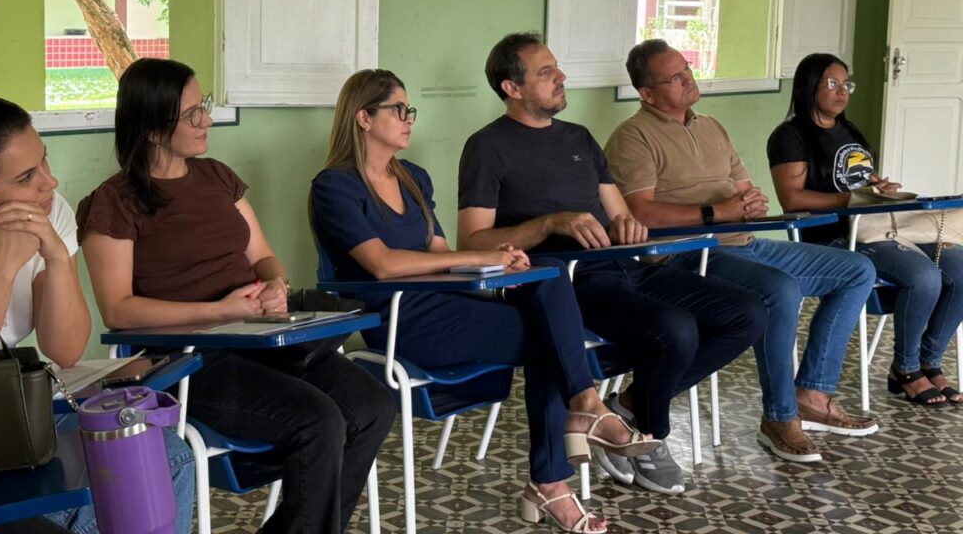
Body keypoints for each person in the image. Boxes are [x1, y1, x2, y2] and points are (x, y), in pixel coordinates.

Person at [311, 68, 656, 533]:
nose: (409, 119)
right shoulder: (335, 186)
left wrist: (502, 261)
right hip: (401, 321)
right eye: (399, 109)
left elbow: (440, 255)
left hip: (451, 303)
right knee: (552, 336)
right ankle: (564, 454)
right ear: (364, 118)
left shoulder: (413, 178)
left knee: (548, 274)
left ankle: (577, 426)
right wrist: (480, 255)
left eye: (410, 110)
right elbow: (383, 265)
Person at [77, 58, 395, 534]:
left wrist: (276, 285)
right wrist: (220, 310)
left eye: (204, 106)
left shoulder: (218, 178)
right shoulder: (115, 202)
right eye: (192, 114)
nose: (207, 120)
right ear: (153, 128)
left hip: (264, 339)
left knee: (372, 406)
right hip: (191, 360)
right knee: (319, 422)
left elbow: (264, 256)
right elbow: (118, 309)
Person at [456, 33, 765, 495]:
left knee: (748, 313)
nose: (562, 76)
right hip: (564, 282)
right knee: (676, 329)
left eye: (557, 66)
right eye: (546, 72)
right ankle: (652, 437)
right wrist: (550, 224)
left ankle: (630, 410)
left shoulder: (579, 138)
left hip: (624, 266)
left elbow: (621, 215)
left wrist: (627, 226)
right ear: (512, 88)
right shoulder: (487, 146)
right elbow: (471, 241)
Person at [606, 39, 879, 464]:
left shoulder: (711, 126)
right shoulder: (633, 136)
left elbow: (746, 190)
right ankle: (779, 417)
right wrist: (717, 212)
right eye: (675, 77)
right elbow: (640, 212)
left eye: (687, 69)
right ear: (647, 93)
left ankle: (812, 394)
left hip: (745, 242)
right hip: (688, 254)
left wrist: (751, 203)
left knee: (858, 269)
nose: (688, 79)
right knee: (780, 289)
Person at [0, 91, 194, 534]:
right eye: (26, 176)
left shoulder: (48, 210)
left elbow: (66, 349)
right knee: (92, 495)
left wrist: (57, 258)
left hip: (5, 411)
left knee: (165, 453)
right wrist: (1, 265)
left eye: (44, 160)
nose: (50, 183)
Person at [768, 53, 963, 406]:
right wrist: (851, 199)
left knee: (960, 268)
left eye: (847, 84)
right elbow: (792, 199)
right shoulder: (790, 135)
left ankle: (929, 361)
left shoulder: (850, 131)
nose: (842, 91)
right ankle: (905, 369)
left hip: (877, 228)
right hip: (833, 238)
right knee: (924, 277)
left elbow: (858, 182)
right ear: (809, 86)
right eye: (833, 83)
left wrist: (878, 189)